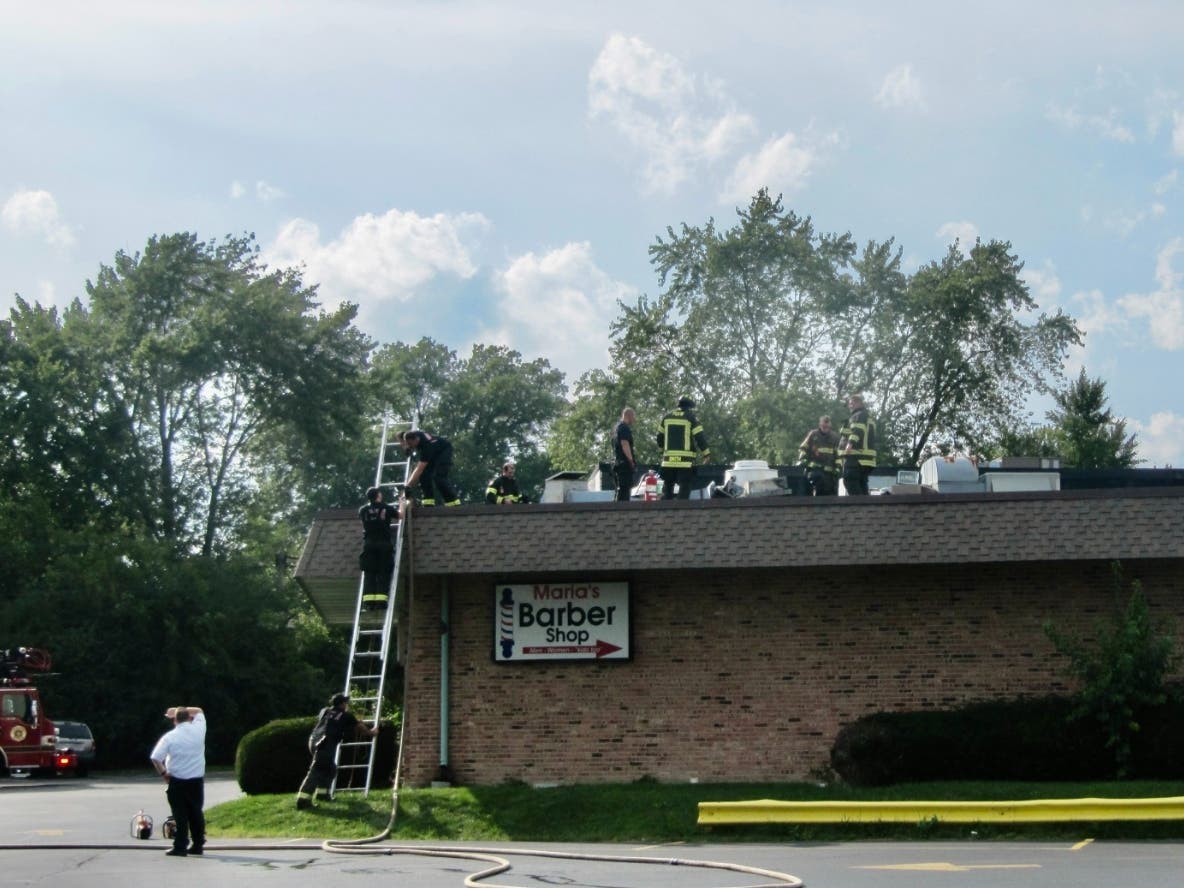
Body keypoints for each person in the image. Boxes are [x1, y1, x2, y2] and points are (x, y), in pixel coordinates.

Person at [296, 693, 379, 810]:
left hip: (313, 741)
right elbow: (359, 727)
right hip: (325, 745)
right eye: (346, 702)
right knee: (316, 771)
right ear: (342, 704)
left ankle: (322, 794)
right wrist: (372, 732)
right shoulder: (346, 716)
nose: (347, 704)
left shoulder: (324, 711)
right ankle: (303, 801)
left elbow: (332, 723)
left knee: (330, 768)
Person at [150, 706, 206, 857]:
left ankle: (180, 846)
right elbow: (199, 711)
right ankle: (198, 844)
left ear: (174, 720)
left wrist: (163, 773)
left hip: (177, 780)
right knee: (196, 813)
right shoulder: (199, 730)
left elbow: (155, 757)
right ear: (189, 718)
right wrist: (178, 709)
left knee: (180, 815)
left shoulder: (170, 737)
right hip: (196, 780)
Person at [655, 397, 710, 500]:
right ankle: (680, 513)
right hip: (684, 463)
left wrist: (662, 450)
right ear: (689, 407)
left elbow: (659, 437)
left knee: (667, 491)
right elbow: (699, 437)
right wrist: (706, 453)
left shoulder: (667, 417)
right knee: (684, 490)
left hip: (668, 462)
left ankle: (666, 514)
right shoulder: (690, 417)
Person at [358, 486, 397, 610]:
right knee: (383, 572)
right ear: (379, 496)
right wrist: (403, 503)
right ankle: (381, 602)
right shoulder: (386, 507)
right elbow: (400, 515)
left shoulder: (363, 510)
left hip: (369, 545)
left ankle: (369, 602)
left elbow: (363, 523)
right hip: (384, 544)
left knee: (369, 573)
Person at [401, 430, 461, 506]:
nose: (410, 446)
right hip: (434, 452)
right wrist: (406, 448)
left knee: (439, 477)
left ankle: (453, 502)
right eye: (408, 444)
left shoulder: (427, 447)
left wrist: (408, 485)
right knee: (423, 476)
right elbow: (400, 435)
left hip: (444, 451)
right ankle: (428, 503)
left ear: (416, 439)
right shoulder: (414, 434)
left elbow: (419, 469)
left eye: (410, 444)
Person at [839, 393, 877, 495]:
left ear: (859, 403)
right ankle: (865, 507)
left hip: (856, 457)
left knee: (849, 480)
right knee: (861, 483)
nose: (849, 405)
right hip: (865, 460)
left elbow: (857, 430)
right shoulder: (867, 417)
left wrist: (850, 444)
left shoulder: (858, 415)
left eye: (852, 403)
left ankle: (858, 508)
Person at [798, 415, 840, 496]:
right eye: (823, 426)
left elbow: (838, 454)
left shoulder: (835, 437)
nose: (825, 428)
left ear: (830, 426)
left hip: (830, 474)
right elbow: (803, 448)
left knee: (831, 495)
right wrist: (803, 460)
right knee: (816, 492)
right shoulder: (813, 435)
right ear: (820, 425)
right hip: (815, 471)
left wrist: (838, 467)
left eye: (827, 426)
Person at [610, 408, 638, 501]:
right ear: (628, 416)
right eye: (633, 417)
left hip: (617, 464)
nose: (634, 420)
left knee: (619, 491)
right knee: (624, 491)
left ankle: (616, 510)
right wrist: (631, 461)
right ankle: (622, 511)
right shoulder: (624, 428)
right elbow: (625, 444)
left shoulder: (617, 428)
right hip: (624, 465)